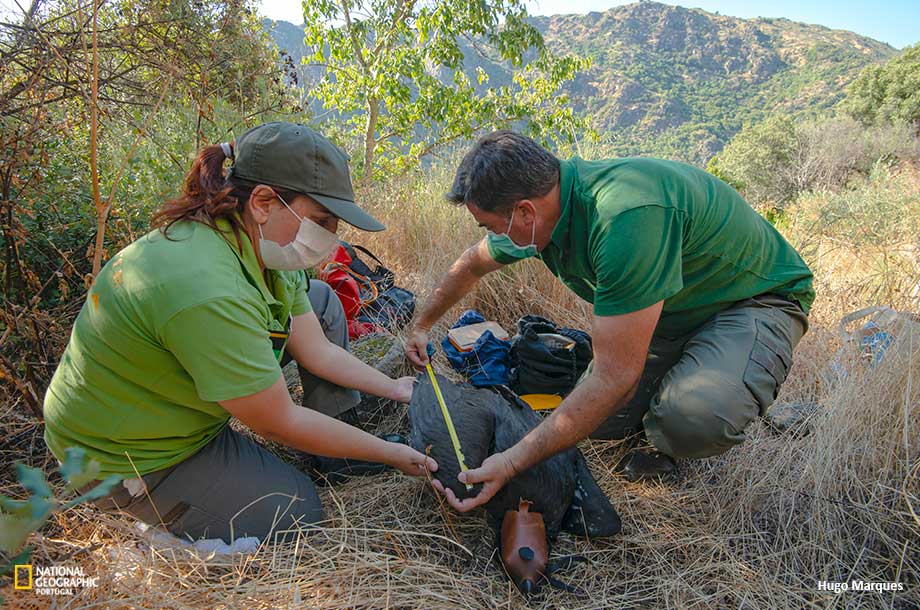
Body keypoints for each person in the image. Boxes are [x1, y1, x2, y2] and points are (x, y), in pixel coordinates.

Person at [43, 122, 437, 543]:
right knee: (297, 510)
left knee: (321, 300)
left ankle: (334, 453)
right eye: (322, 220)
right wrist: (391, 454)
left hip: (172, 405)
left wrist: (395, 388)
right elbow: (279, 422)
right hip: (129, 453)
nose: (330, 238)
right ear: (264, 201)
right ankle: (156, 530)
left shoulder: (259, 245)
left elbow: (317, 351)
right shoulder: (208, 289)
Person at [405, 130, 813, 512]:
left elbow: (614, 378)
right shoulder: (546, 209)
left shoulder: (622, 219)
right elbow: (471, 266)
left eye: (493, 226)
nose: (495, 236)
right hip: (670, 313)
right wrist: (422, 325)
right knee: (597, 423)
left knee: (690, 418)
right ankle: (681, 382)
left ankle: (694, 419)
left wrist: (512, 462)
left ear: (525, 212)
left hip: (752, 301)